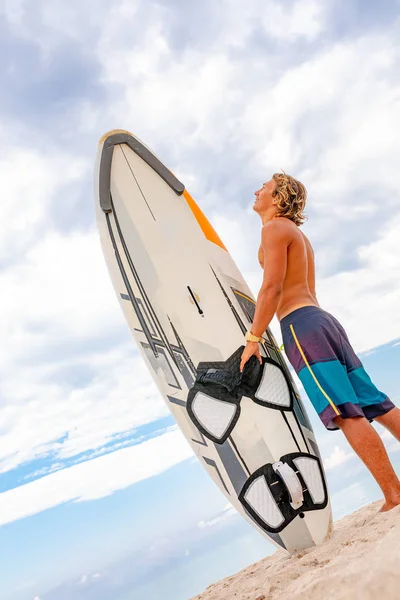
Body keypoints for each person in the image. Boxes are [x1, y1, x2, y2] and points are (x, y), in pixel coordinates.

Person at [240, 172, 400, 511]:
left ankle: (394, 494)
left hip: (301, 327)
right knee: (376, 403)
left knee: (344, 411)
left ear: (279, 197)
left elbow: (272, 288)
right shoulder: (296, 234)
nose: (257, 191)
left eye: (264, 188)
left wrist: (253, 338)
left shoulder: (273, 229)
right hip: (323, 321)